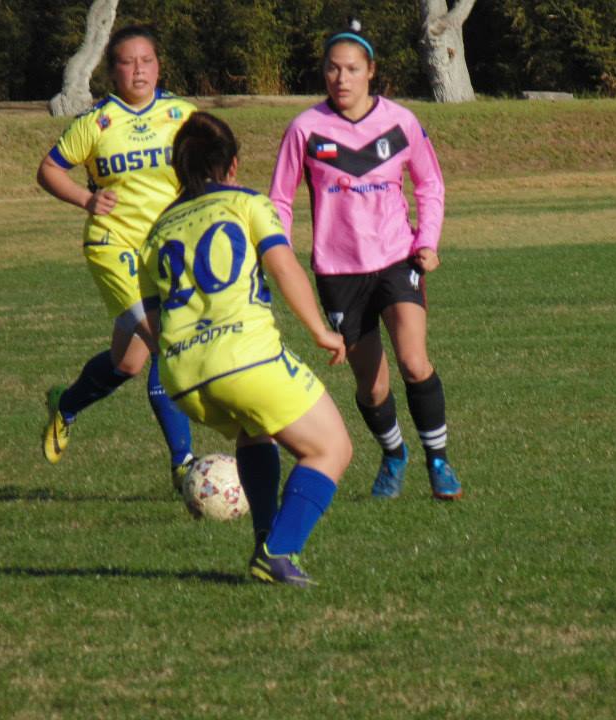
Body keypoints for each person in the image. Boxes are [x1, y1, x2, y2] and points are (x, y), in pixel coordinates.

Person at [138, 111, 353, 587]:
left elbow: (149, 320)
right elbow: (284, 267)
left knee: (256, 432)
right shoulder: (246, 203)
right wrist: (320, 329)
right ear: (231, 165)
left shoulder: (155, 233)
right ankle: (280, 551)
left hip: (182, 377)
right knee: (331, 448)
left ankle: (263, 545)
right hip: (245, 359)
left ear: (179, 170)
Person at [269, 19, 462, 500]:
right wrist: (277, 249)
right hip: (338, 272)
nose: (342, 78)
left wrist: (428, 239)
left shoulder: (400, 122)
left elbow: (430, 183)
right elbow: (279, 200)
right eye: (333, 69)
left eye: (352, 69)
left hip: (398, 259)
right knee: (372, 388)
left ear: (371, 72)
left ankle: (438, 461)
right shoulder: (306, 129)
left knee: (415, 362)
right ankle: (394, 454)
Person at [36, 25, 196, 488]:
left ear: (158, 65)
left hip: (169, 249)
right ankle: (183, 465)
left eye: (146, 60)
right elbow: (49, 169)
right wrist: (85, 200)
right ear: (112, 71)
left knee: (127, 364)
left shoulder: (182, 114)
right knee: (168, 343)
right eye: (127, 62)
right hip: (114, 246)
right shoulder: (97, 122)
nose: (138, 69)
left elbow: (216, 162)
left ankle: (66, 406)